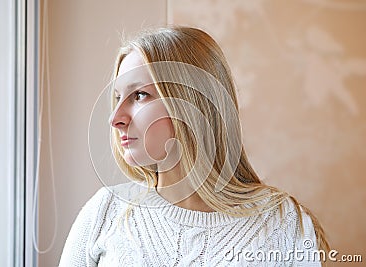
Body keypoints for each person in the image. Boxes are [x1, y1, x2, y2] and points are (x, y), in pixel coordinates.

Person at [59, 26, 329, 266]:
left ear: (193, 103)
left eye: (139, 95)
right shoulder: (106, 212)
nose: (115, 118)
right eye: (118, 97)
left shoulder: (282, 222)